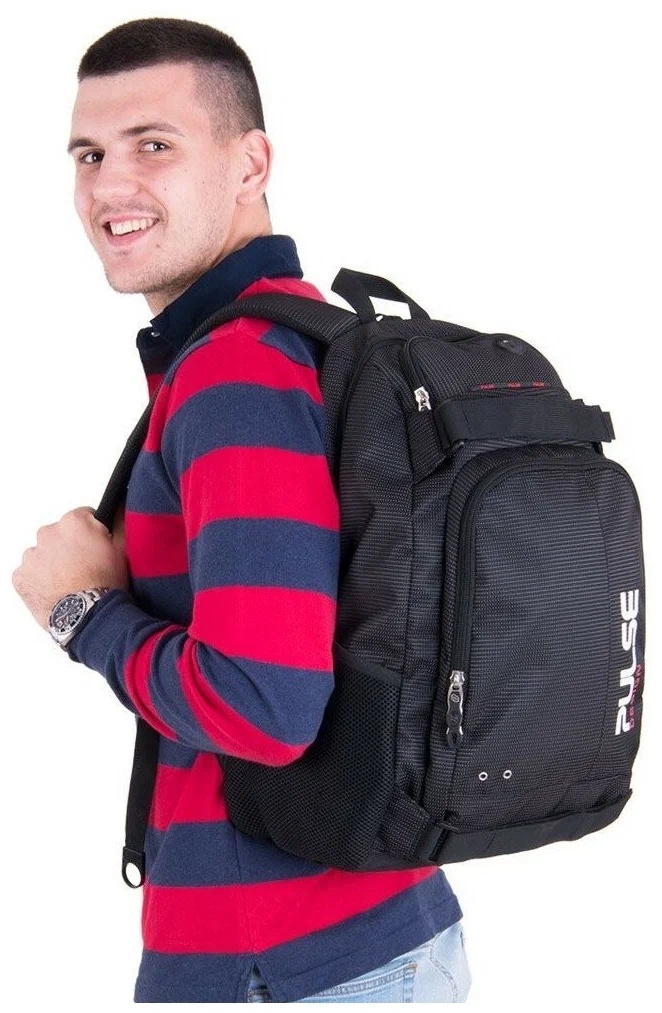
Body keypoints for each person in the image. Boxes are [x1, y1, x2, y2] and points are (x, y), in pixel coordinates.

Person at [11, 16, 472, 1004]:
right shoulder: (305, 334)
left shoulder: (236, 371)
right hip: (362, 931)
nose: (108, 185)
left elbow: (264, 705)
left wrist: (80, 613)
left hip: (290, 966)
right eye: (88, 155)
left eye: (153, 145)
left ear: (250, 163)